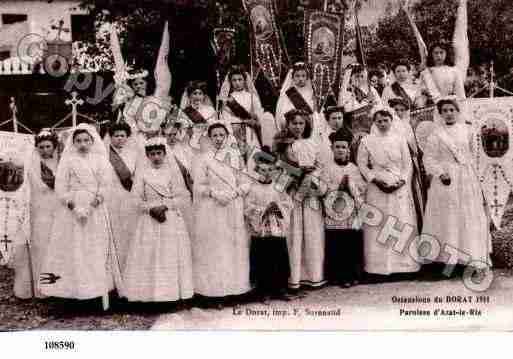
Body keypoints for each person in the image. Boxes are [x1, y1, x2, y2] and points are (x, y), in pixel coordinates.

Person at [40, 124, 118, 304]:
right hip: (72, 210)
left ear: (92, 141)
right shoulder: (67, 161)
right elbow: (60, 187)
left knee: (93, 247)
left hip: (95, 209)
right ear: (73, 143)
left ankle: (96, 291)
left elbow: (106, 186)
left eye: (86, 140)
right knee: (73, 247)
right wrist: (74, 207)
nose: (82, 144)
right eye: (78, 141)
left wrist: (92, 206)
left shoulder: (101, 160)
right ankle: (71, 291)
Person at [422, 97, 492, 276]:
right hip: (445, 179)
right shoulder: (436, 134)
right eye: (444, 110)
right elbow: (429, 158)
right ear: (440, 113)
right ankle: (447, 262)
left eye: (451, 110)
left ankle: (471, 259)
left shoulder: (468, 131)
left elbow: (476, 155)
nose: (448, 113)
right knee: (447, 218)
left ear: (457, 111)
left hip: (466, 178)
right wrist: (439, 172)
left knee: (467, 216)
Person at [123, 137, 194, 304]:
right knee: (150, 255)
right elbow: (135, 199)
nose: (156, 157)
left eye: (159, 153)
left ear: (164, 153)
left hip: (169, 218)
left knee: (169, 255)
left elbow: (183, 196)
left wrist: (165, 205)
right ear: (147, 155)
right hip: (148, 219)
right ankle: (149, 295)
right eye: (152, 154)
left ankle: (170, 295)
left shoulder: (172, 172)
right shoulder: (142, 174)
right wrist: (149, 208)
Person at [357, 108, 420, 281]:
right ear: (374, 122)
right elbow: (362, 164)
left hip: (399, 185)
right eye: (379, 121)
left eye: (385, 120)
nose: (383, 124)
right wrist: (375, 181)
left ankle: (403, 266)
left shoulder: (400, 140)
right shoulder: (367, 141)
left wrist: (401, 182)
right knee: (380, 223)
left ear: (391, 121)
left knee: (400, 222)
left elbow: (408, 165)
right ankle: (378, 267)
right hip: (377, 187)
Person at [192, 123, 251, 308]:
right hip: (212, 209)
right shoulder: (202, 159)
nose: (218, 139)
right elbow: (198, 186)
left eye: (221, 135)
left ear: (227, 137)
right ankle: (215, 294)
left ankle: (235, 292)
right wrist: (214, 193)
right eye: (215, 135)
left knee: (233, 249)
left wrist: (235, 193)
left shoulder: (236, 157)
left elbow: (246, 181)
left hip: (232, 208)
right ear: (209, 138)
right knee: (215, 249)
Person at [273, 109, 326, 291]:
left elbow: (319, 165)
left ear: (307, 125)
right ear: (287, 125)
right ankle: (294, 277)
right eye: (294, 123)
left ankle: (313, 275)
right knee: (295, 233)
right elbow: (278, 169)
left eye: (301, 123)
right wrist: (292, 181)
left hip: (310, 192)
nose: (297, 127)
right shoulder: (282, 145)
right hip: (292, 192)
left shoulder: (313, 143)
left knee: (312, 232)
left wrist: (311, 179)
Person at [14, 131, 59, 299]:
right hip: (39, 210)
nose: (45, 150)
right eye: (41, 147)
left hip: (58, 208)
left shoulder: (62, 163)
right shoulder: (31, 164)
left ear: (54, 147)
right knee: (41, 246)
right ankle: (42, 288)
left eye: (48, 146)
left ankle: (59, 286)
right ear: (36, 148)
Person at [245, 146, 294, 303]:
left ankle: (280, 288)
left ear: (274, 170)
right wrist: (263, 210)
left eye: (269, 170)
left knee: (279, 258)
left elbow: (288, 203)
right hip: (261, 231)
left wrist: (278, 208)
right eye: (262, 170)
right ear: (257, 170)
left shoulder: (278, 187)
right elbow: (247, 208)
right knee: (263, 260)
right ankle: (263, 291)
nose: (266, 173)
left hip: (277, 228)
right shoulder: (253, 188)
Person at [322, 130, 366, 288]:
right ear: (332, 149)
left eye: (343, 147)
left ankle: (352, 274)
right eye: (337, 147)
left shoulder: (353, 168)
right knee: (336, 243)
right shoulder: (327, 168)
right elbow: (323, 188)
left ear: (348, 149)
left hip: (351, 212)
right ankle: (337, 276)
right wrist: (338, 188)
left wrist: (351, 186)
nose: (340, 150)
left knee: (351, 242)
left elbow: (362, 187)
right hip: (334, 211)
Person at [404, 0, 468, 105]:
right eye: (435, 53)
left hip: (450, 109)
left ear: (446, 54)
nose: (438, 56)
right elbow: (420, 93)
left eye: (441, 52)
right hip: (431, 108)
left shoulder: (454, 71)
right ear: (431, 55)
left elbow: (460, 95)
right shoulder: (427, 72)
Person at [219, 64, 277, 151]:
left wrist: (256, 119)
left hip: (251, 132)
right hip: (234, 132)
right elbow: (225, 118)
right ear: (230, 82)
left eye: (240, 79)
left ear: (244, 80)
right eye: (234, 80)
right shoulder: (228, 99)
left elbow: (260, 115)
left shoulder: (252, 97)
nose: (237, 83)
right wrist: (242, 121)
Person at [106, 121, 138, 273]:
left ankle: (129, 270)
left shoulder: (134, 154)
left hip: (129, 197)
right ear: (110, 137)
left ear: (127, 137)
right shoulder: (105, 155)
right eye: (116, 136)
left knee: (129, 233)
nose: (119, 139)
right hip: (111, 197)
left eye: (122, 136)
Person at [275, 62, 326, 144]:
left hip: (310, 132)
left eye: (303, 76)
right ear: (292, 77)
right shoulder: (288, 94)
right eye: (297, 76)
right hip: (291, 132)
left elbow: (318, 114)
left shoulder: (313, 94)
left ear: (307, 78)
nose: (300, 79)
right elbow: (281, 115)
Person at [177, 80, 218, 154]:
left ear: (204, 96)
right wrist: (190, 127)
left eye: (200, 93)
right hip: (190, 141)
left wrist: (206, 126)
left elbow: (214, 127)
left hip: (206, 140)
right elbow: (182, 128)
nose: (197, 96)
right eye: (194, 93)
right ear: (189, 96)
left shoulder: (210, 110)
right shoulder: (183, 112)